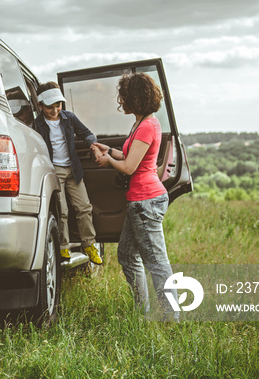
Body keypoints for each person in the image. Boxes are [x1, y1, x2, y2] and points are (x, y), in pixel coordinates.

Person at [91, 72, 177, 318]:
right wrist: (110, 150)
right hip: (141, 200)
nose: (121, 100)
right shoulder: (144, 123)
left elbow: (129, 168)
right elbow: (133, 159)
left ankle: (172, 317)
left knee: (157, 263)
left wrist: (107, 160)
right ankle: (144, 313)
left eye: (124, 95)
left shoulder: (146, 126)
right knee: (127, 256)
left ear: (134, 98)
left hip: (145, 201)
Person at [33, 82, 102, 265]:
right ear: (40, 106)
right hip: (54, 170)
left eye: (58, 105)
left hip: (73, 169)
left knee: (84, 207)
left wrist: (92, 144)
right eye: (50, 107)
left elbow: (86, 133)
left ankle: (89, 244)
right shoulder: (37, 124)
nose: (55, 110)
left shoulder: (69, 118)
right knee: (62, 211)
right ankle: (63, 247)